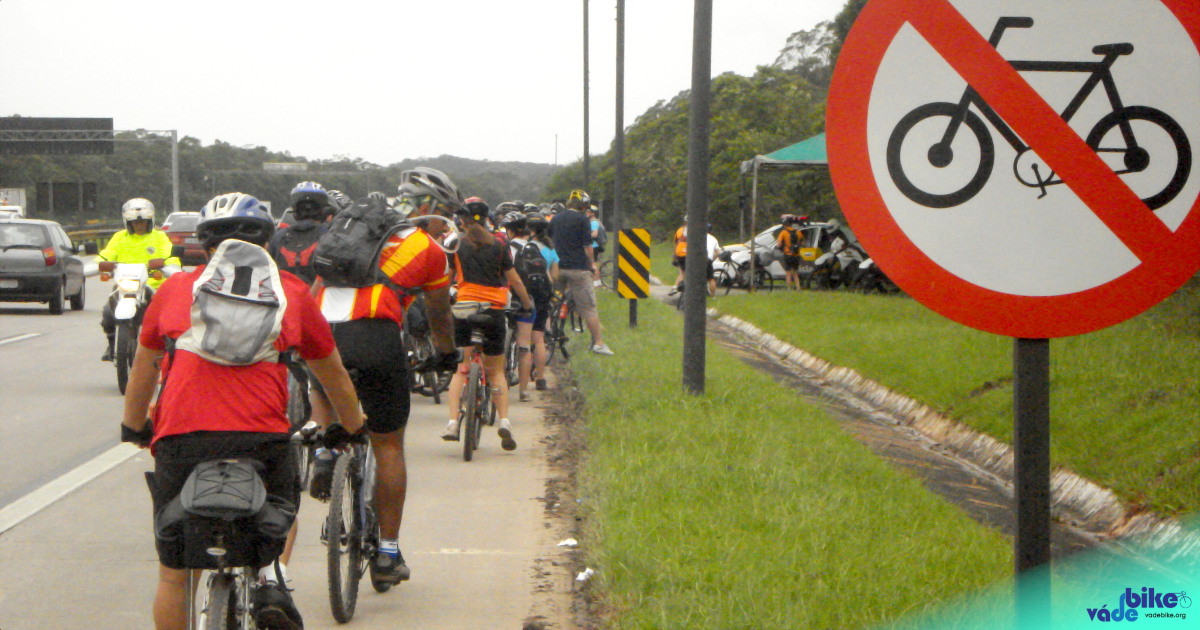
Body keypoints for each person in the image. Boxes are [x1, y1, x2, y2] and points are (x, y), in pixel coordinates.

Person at [121, 192, 363, 630]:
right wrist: (353, 426)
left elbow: (143, 368)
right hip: (261, 438)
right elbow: (333, 375)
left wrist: (133, 425)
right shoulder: (290, 292)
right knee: (280, 505)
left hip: (181, 438)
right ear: (267, 242)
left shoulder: (178, 289)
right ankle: (272, 578)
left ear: (205, 245)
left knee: (174, 573)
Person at [308, 167, 460, 587]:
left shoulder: (351, 229)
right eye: (442, 215)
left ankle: (326, 449)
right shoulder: (425, 248)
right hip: (373, 335)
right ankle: (388, 554)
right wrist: (446, 354)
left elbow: (314, 289)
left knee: (321, 379)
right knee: (389, 444)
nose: (442, 224)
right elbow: (438, 313)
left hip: (322, 331)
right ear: (427, 207)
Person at [442, 199, 535, 447]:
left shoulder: (455, 244)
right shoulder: (499, 245)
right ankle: (503, 420)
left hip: (463, 309)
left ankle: (453, 422)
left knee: (461, 368)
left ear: (462, 220)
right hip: (493, 311)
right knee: (495, 371)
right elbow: (514, 280)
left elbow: (446, 280)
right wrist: (526, 303)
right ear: (487, 219)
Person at [98, 198, 181, 361]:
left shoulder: (160, 237)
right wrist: (99, 264)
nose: (139, 225)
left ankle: (172, 351)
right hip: (124, 285)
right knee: (108, 311)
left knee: (169, 316)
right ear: (128, 222)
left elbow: (170, 255)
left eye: (142, 221)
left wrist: (169, 266)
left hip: (152, 286)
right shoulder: (119, 237)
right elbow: (106, 254)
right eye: (134, 222)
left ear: (150, 221)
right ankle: (111, 342)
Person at [548, 189, 613, 355]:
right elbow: (588, 246)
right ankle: (598, 344)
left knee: (553, 301)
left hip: (557, 268)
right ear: (584, 205)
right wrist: (592, 263)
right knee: (589, 307)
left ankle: (549, 333)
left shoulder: (555, 218)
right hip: (577, 268)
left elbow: (550, 241)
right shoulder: (583, 219)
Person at [499, 211, 549, 402]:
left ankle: (499, 384)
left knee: (500, 342)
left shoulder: (504, 248)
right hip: (526, 301)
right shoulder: (533, 248)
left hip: (506, 300)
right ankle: (523, 391)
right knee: (524, 345)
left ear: (510, 230)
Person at [268, 181, 334, 285]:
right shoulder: (330, 233)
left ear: (295, 210)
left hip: (284, 298)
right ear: (322, 210)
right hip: (315, 299)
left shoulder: (279, 236)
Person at [526, 214, 559, 391]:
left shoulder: (525, 246)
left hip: (524, 294)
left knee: (522, 336)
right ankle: (540, 378)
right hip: (542, 293)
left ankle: (521, 377)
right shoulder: (550, 249)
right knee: (538, 338)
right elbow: (555, 275)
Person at [776, 214, 805, 291]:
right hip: (796, 254)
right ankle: (798, 288)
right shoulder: (798, 232)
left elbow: (779, 244)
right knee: (795, 273)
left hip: (788, 254)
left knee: (788, 273)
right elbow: (802, 243)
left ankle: (789, 288)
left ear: (785, 225)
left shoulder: (783, 232)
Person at [704, 224, 722, 297]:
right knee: (711, 278)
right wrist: (712, 259)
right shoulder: (713, 239)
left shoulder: (698, 237)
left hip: (699, 259)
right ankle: (713, 296)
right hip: (708, 259)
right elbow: (718, 252)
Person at [671, 219, 688, 291]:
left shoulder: (679, 230)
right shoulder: (694, 230)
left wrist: (674, 255)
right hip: (688, 253)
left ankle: (676, 286)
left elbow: (676, 243)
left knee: (682, 271)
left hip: (679, 253)